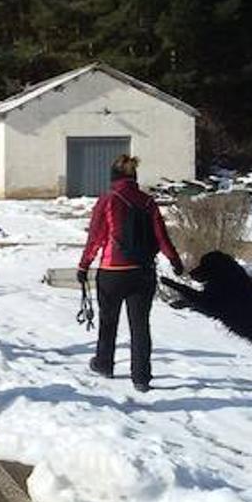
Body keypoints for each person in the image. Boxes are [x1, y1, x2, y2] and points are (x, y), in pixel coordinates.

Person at [78, 154, 183, 392]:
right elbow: (162, 237)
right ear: (134, 177)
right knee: (140, 325)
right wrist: (174, 260)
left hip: (112, 271)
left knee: (109, 321)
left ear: (113, 177)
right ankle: (141, 377)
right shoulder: (148, 202)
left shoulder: (107, 200)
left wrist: (84, 265)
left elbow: (96, 237)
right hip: (143, 271)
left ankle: (104, 363)